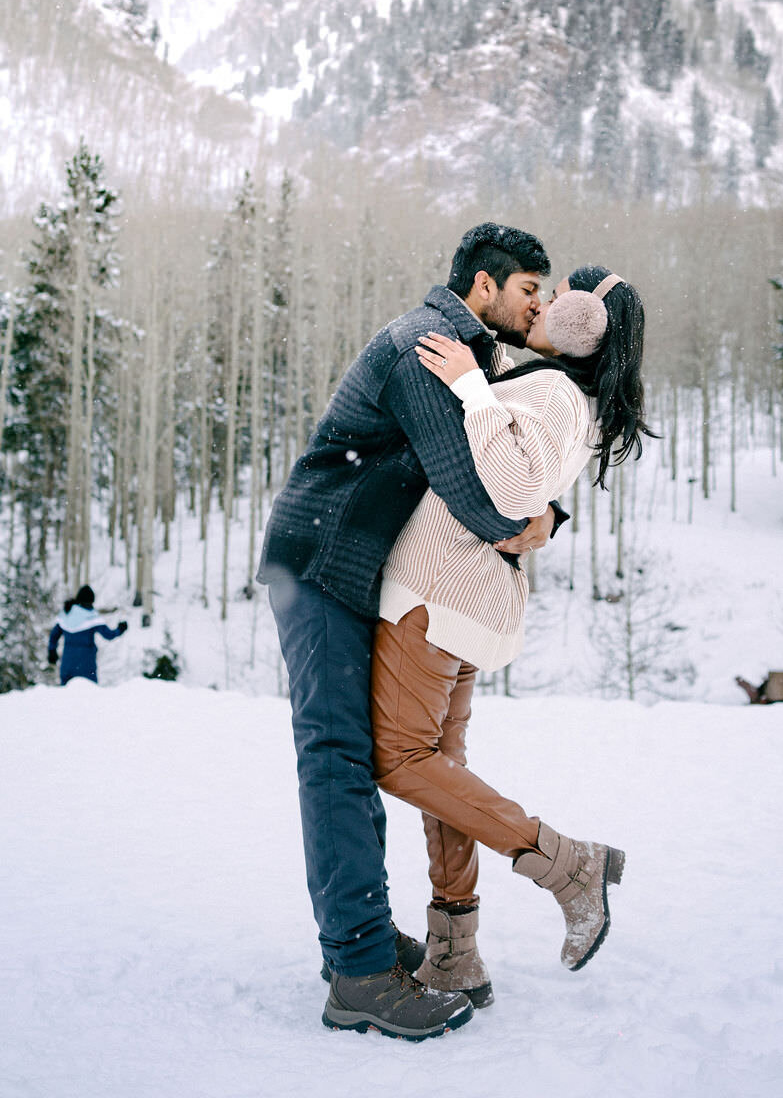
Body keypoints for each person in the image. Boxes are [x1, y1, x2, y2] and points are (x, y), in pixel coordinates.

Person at [257, 223, 567, 1041]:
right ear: (485, 286)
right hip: (322, 560)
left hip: (359, 569)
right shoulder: (428, 348)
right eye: (530, 291)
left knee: (356, 755)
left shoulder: (466, 355)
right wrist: (530, 518)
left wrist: (545, 512)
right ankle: (358, 970)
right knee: (337, 757)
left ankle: (355, 941)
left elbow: (509, 472)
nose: (538, 307)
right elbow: (475, 489)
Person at [371, 265, 651, 1008]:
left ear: (584, 320)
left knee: (400, 759)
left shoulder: (557, 392)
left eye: (560, 296)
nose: (547, 302)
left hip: (436, 591)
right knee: (442, 773)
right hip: (459, 595)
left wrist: (469, 386)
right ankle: (456, 951)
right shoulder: (554, 387)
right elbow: (532, 493)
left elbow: (513, 484)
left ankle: (565, 863)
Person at [47, 586, 128, 685]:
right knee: (89, 695)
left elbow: (54, 635)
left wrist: (52, 651)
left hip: (67, 665)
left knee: (66, 695)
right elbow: (108, 635)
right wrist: (120, 629)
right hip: (86, 666)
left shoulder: (66, 615)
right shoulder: (92, 617)